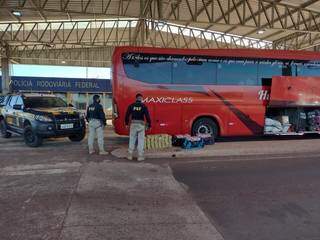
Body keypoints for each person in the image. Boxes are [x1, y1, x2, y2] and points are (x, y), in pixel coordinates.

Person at [125, 93, 151, 161]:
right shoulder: (143, 106)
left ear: (136, 98)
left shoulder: (131, 105)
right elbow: (147, 116)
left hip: (133, 124)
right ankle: (140, 156)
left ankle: (130, 155)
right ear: (141, 99)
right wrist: (149, 125)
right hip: (141, 125)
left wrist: (126, 124)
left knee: (132, 139)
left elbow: (127, 115)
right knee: (141, 140)